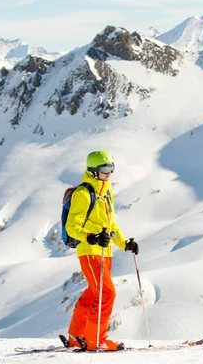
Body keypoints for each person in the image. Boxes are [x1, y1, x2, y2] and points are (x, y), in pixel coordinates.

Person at [64, 150, 139, 351]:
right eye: (105, 169)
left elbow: (110, 225)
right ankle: (95, 340)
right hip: (90, 250)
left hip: (105, 252)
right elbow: (73, 226)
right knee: (106, 293)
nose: (109, 173)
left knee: (93, 293)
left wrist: (124, 244)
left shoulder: (106, 192)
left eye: (112, 168)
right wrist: (92, 236)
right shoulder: (83, 194)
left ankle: (76, 336)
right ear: (93, 171)